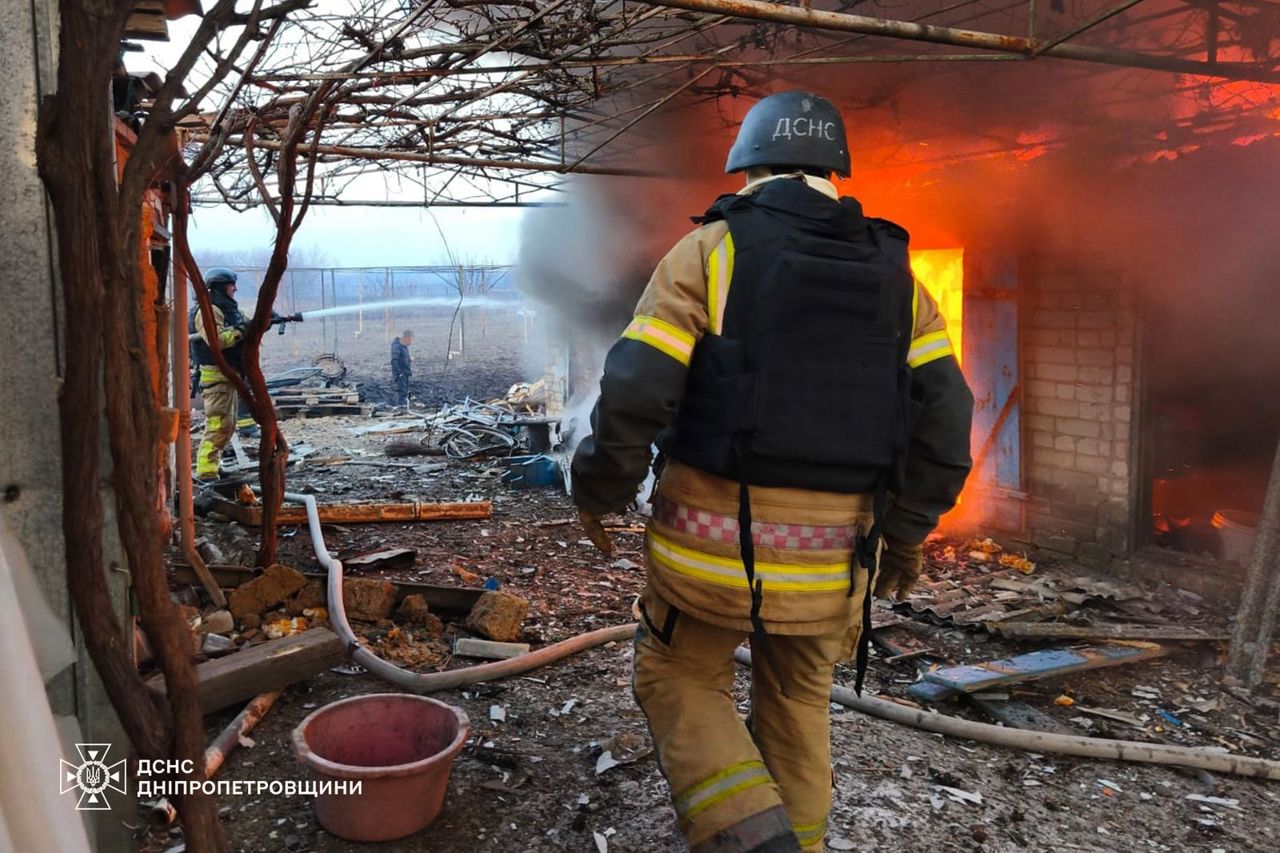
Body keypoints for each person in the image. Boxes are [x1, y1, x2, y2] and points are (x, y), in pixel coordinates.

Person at [571, 91, 974, 853]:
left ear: (747, 168)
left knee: (677, 676)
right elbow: (947, 421)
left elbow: (635, 391)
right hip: (836, 563)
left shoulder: (709, 253)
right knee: (797, 700)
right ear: (834, 172)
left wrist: (598, 488)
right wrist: (906, 535)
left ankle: (753, 842)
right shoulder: (902, 280)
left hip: (707, 554)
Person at [189, 267, 247, 483]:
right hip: (216, 377)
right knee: (218, 426)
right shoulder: (209, 310)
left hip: (228, 376)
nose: (235, 289)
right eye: (232, 285)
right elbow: (218, 340)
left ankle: (214, 465)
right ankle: (206, 473)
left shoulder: (227, 308)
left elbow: (246, 323)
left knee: (227, 425)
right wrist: (242, 331)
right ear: (220, 287)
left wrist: (267, 320)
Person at [391, 329, 414, 408]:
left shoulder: (404, 347)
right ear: (406, 338)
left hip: (405, 373)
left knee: (405, 391)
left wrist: (409, 359)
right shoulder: (396, 346)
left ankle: (404, 406)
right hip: (400, 374)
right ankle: (400, 407)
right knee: (401, 391)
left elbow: (402, 358)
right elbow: (394, 361)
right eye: (411, 340)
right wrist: (399, 373)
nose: (411, 342)